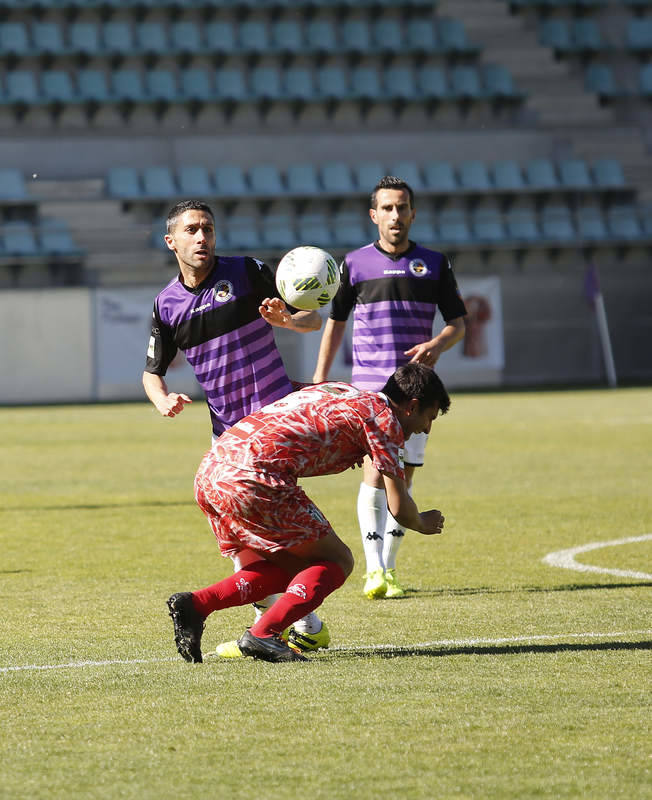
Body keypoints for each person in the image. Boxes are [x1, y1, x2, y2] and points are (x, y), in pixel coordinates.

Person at [143, 199, 330, 656]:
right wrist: (163, 398)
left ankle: (294, 621)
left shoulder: (246, 272)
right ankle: (297, 622)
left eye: (207, 228)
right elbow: (151, 371)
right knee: (237, 543)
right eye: (191, 230)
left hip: (273, 426)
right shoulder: (166, 305)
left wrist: (288, 320)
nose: (201, 237)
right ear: (172, 242)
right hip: (226, 436)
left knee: (273, 534)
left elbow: (311, 316)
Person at [166, 363, 451, 664]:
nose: (426, 429)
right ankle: (263, 635)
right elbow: (399, 507)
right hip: (254, 477)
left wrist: (347, 444)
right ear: (412, 406)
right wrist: (422, 521)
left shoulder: (341, 390)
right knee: (338, 560)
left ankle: (196, 605)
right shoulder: (385, 422)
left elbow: (299, 399)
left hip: (212, 470)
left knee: (300, 569)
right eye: (429, 418)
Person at [312, 176, 467, 600]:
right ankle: (374, 570)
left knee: (406, 477)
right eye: (388, 208)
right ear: (374, 215)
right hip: (371, 390)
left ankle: (390, 568)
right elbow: (335, 323)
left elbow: (458, 323)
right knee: (377, 472)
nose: (395, 216)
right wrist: (320, 379)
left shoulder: (434, 263)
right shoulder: (355, 264)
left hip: (416, 392)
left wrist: (436, 344)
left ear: (413, 213)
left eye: (402, 208)